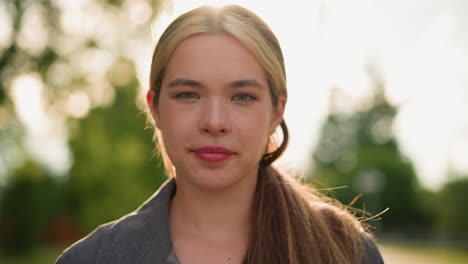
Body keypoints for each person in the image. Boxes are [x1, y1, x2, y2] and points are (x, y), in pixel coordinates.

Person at [56, 5, 384, 264]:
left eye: (242, 96)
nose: (214, 122)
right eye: (188, 94)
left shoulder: (349, 253)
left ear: (276, 112)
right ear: (154, 108)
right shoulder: (91, 259)